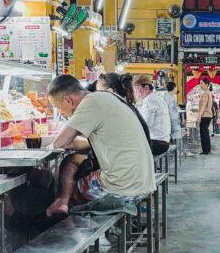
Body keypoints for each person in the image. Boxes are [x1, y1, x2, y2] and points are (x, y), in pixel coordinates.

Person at [46, 74, 154, 217]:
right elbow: (84, 142)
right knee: (77, 166)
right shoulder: (104, 98)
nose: (60, 113)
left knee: (72, 190)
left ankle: (66, 229)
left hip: (123, 188)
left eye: (57, 107)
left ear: (67, 100)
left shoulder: (89, 103)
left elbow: (60, 143)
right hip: (144, 181)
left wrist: (49, 144)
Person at [140, 80, 172, 156]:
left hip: (158, 143)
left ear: (146, 88)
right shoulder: (157, 97)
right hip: (164, 141)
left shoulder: (149, 100)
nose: (136, 93)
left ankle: (148, 167)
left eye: (137, 89)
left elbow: (146, 124)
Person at [197, 75, 214, 155]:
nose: (200, 85)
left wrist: (199, 116)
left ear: (207, 85)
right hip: (207, 115)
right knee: (205, 133)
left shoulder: (205, 93)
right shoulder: (208, 93)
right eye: (200, 84)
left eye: (202, 84)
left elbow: (204, 105)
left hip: (205, 115)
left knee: (203, 133)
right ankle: (207, 149)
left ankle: (206, 150)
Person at [162, 80, 182, 145]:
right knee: (176, 133)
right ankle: (174, 149)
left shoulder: (173, 96)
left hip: (175, 118)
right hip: (171, 118)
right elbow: (165, 108)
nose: (176, 89)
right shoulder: (167, 96)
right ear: (174, 88)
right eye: (176, 87)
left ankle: (176, 150)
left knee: (177, 133)